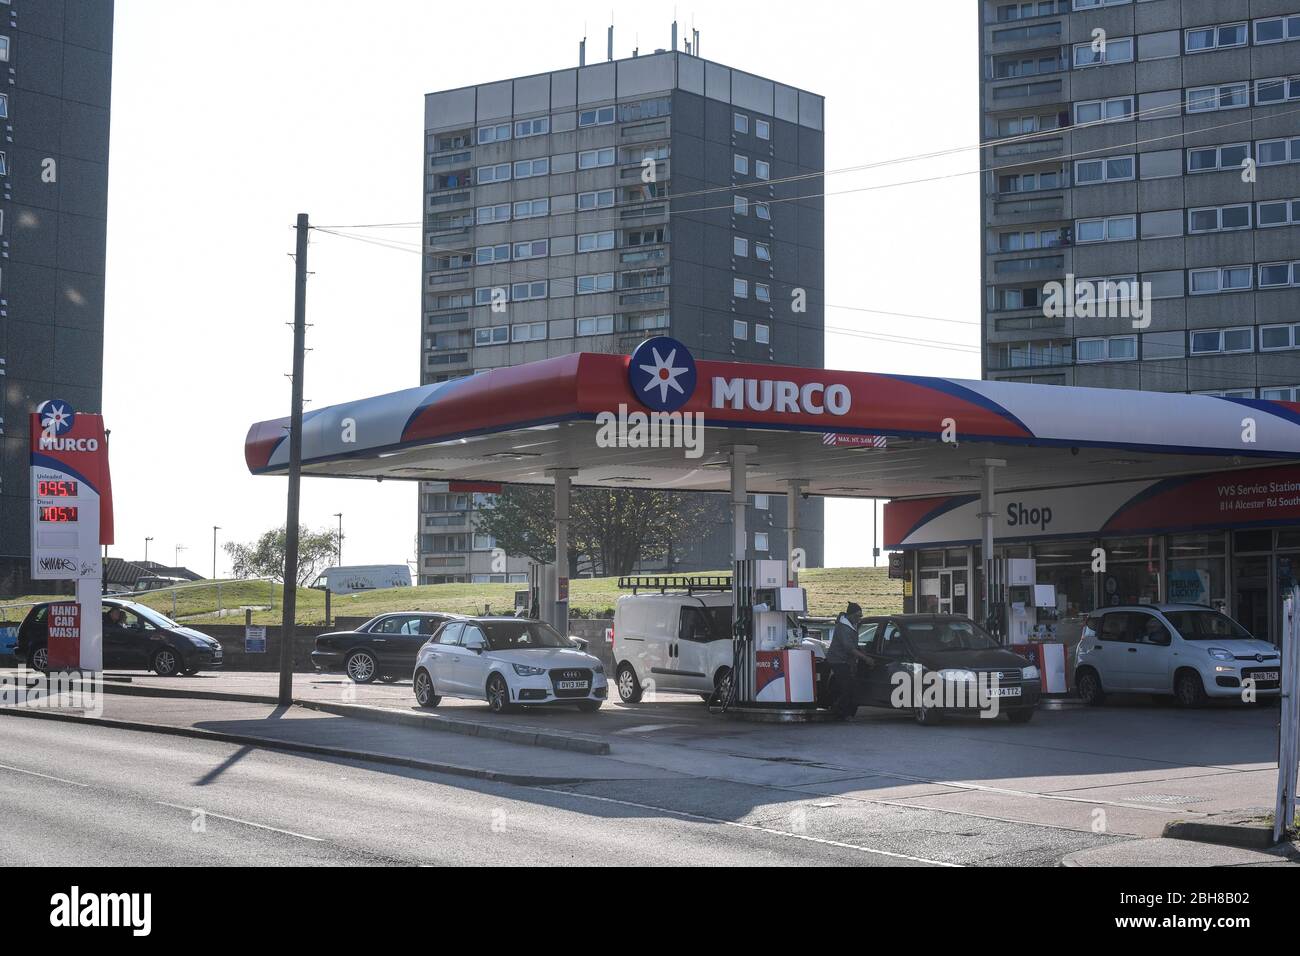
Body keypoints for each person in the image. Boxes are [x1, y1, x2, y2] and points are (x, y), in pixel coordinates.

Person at [826, 602, 869, 720]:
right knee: (847, 687)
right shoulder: (844, 628)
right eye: (857, 616)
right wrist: (865, 658)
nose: (859, 619)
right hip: (838, 660)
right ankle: (841, 713)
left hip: (846, 661)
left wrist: (861, 651)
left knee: (848, 686)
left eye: (860, 616)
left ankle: (843, 712)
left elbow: (853, 645)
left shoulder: (851, 624)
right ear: (850, 615)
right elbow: (849, 647)